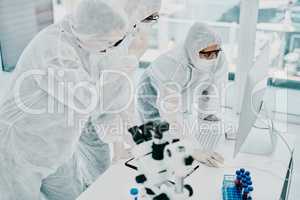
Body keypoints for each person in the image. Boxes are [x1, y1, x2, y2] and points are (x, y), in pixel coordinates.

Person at [0, 0, 138, 199]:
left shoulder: (87, 43)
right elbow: (86, 99)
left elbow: (105, 101)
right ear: (91, 33)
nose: (111, 48)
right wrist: (115, 76)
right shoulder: (53, 50)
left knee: (74, 195)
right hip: (19, 150)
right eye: (109, 42)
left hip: (58, 146)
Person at [137, 22, 228, 167]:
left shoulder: (217, 57)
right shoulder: (173, 64)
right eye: (207, 54)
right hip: (152, 103)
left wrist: (207, 116)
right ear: (193, 49)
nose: (213, 58)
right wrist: (193, 148)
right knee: (158, 150)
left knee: (180, 137)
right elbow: (170, 114)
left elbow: (213, 86)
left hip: (179, 98)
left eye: (216, 52)